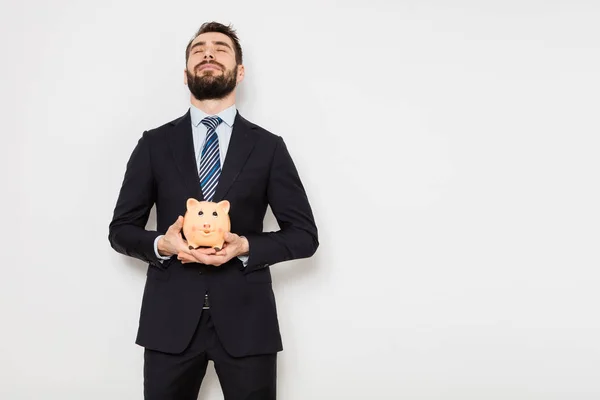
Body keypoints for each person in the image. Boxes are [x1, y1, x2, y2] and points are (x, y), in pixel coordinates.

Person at [108, 21, 318, 400]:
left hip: (248, 321)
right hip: (169, 321)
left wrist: (245, 247)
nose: (208, 53)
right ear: (186, 73)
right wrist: (164, 244)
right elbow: (121, 229)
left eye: (221, 49)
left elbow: (304, 236)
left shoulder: (269, 147)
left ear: (239, 72)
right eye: (198, 49)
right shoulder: (154, 144)